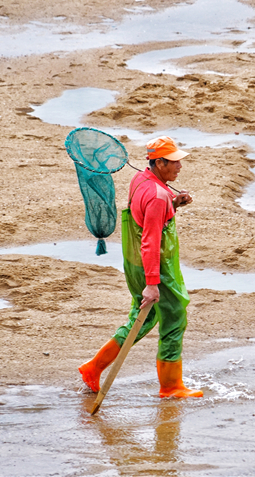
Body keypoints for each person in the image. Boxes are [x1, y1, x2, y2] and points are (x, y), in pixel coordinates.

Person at [79, 135, 203, 398]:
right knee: (174, 317)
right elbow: (150, 240)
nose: (179, 166)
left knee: (143, 319)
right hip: (154, 264)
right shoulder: (158, 196)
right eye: (174, 162)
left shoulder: (142, 181)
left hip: (134, 262)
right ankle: (171, 387)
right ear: (158, 163)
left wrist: (174, 203)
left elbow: (147, 215)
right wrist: (152, 283)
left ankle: (93, 367)